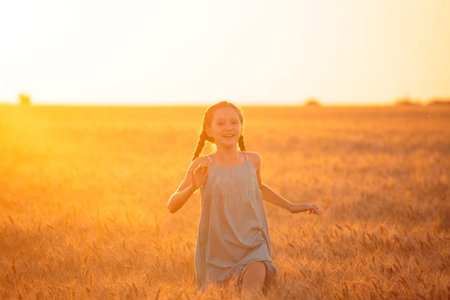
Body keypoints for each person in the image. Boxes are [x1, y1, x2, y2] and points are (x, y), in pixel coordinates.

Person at [167, 101, 320, 297]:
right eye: (220, 123)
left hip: (253, 243)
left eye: (233, 122)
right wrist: (193, 187)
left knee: (252, 294)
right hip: (218, 248)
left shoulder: (253, 160)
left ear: (241, 127)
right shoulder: (202, 165)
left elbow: (259, 188)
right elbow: (172, 205)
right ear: (209, 130)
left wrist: (291, 207)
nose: (228, 128)